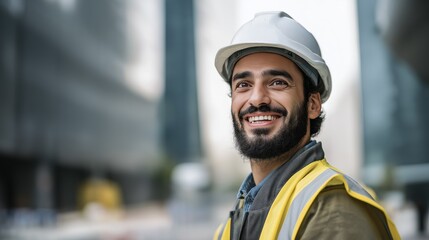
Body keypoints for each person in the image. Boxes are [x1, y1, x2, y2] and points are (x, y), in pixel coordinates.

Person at [213, 11, 400, 239]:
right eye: (243, 84)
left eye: (277, 82)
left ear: (312, 105)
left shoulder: (332, 209)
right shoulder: (230, 227)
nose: (256, 98)